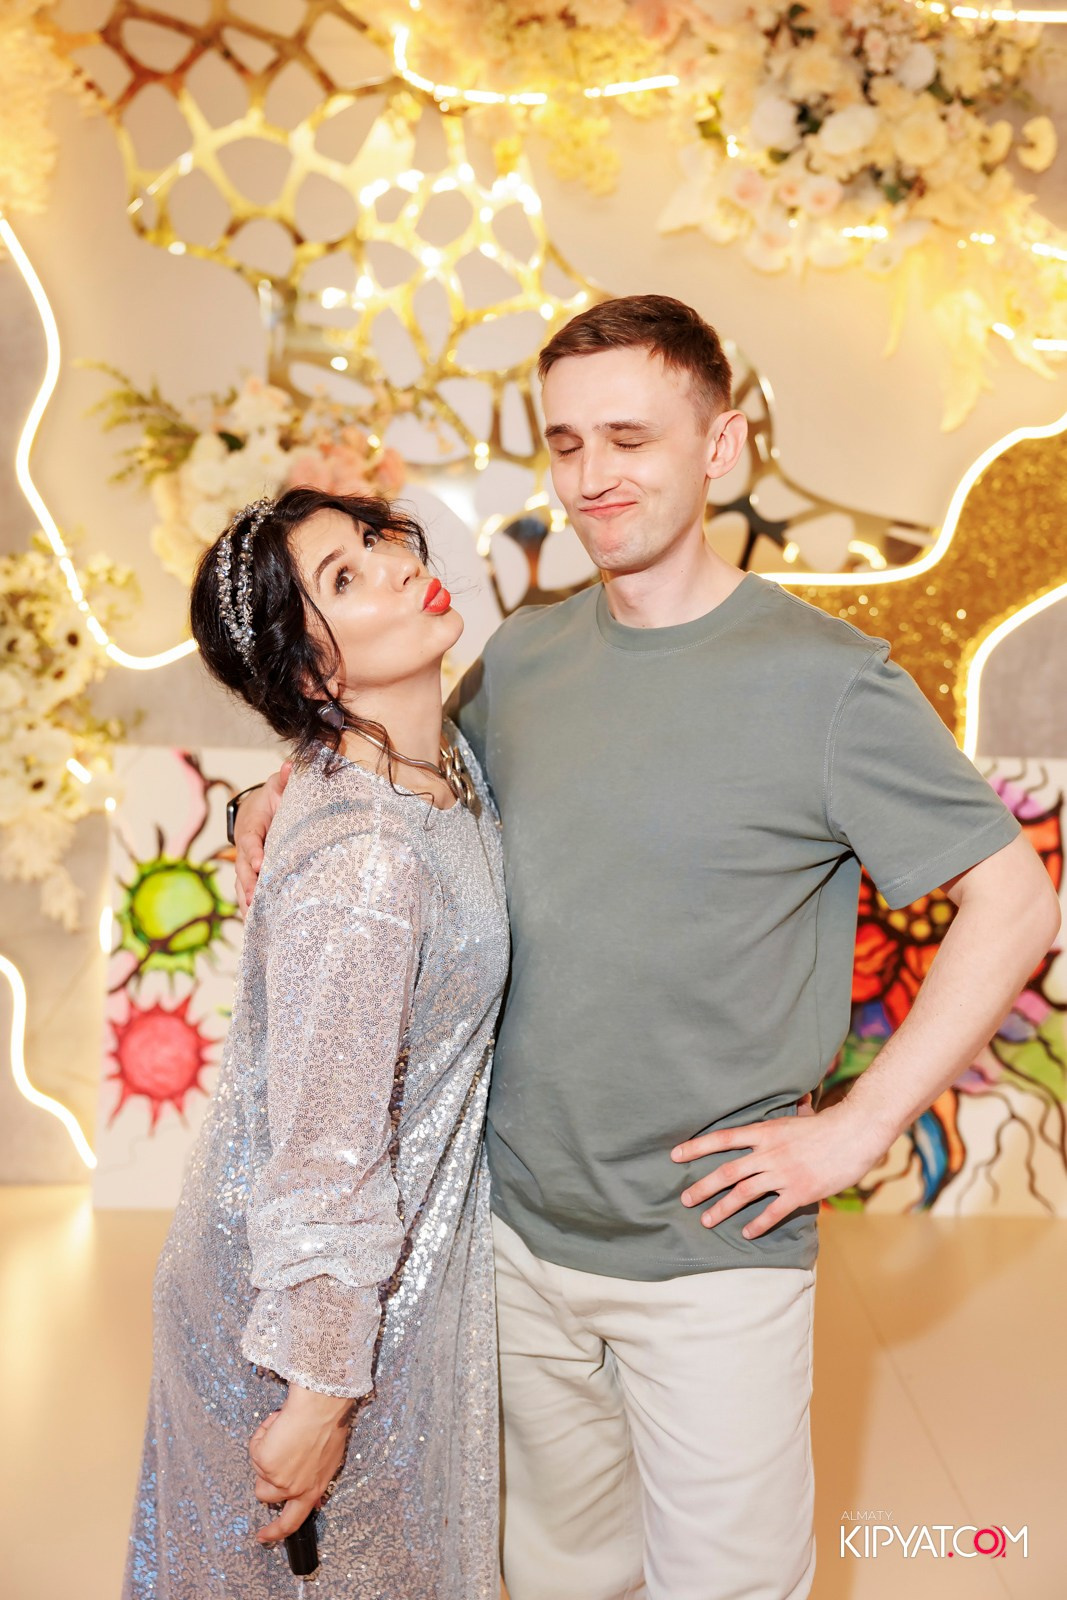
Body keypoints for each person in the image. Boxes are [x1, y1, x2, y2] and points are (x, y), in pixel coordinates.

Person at [234, 299, 1061, 1600]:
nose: (592, 476)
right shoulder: (524, 656)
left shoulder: (829, 680)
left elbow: (1011, 900)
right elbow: (402, 774)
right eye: (567, 443)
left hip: (710, 1254)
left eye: (629, 437)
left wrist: (857, 1130)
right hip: (514, 1240)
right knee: (559, 1580)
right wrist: (273, 787)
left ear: (719, 446)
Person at [125, 487, 509, 1600]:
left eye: (377, 541)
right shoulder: (366, 863)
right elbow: (327, 1151)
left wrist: (266, 789)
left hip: (373, 1292)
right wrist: (320, 1396)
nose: (397, 565)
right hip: (300, 1321)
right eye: (344, 577)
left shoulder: (435, 765)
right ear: (310, 676)